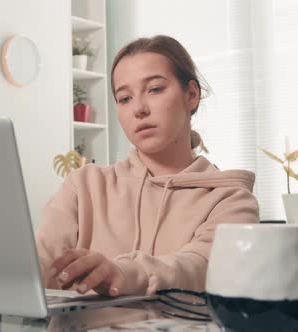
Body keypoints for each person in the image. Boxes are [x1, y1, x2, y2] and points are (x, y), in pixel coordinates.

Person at [36, 35, 259, 297]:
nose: (139, 109)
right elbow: (40, 263)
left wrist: (124, 273)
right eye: (125, 98)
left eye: (154, 89)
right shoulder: (83, 185)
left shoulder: (231, 200)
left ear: (191, 95)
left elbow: (201, 266)